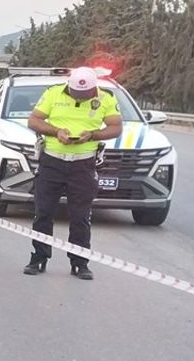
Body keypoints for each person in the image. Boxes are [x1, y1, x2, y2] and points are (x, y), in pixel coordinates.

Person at [23, 66, 122, 280]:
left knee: (81, 217)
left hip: (83, 164)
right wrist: (56, 132)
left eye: (85, 94)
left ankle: (79, 263)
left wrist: (93, 135)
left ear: (94, 88)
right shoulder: (53, 93)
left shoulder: (105, 98)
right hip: (52, 161)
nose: (80, 97)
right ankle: (39, 258)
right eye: (76, 93)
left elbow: (115, 127)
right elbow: (34, 120)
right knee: (43, 213)